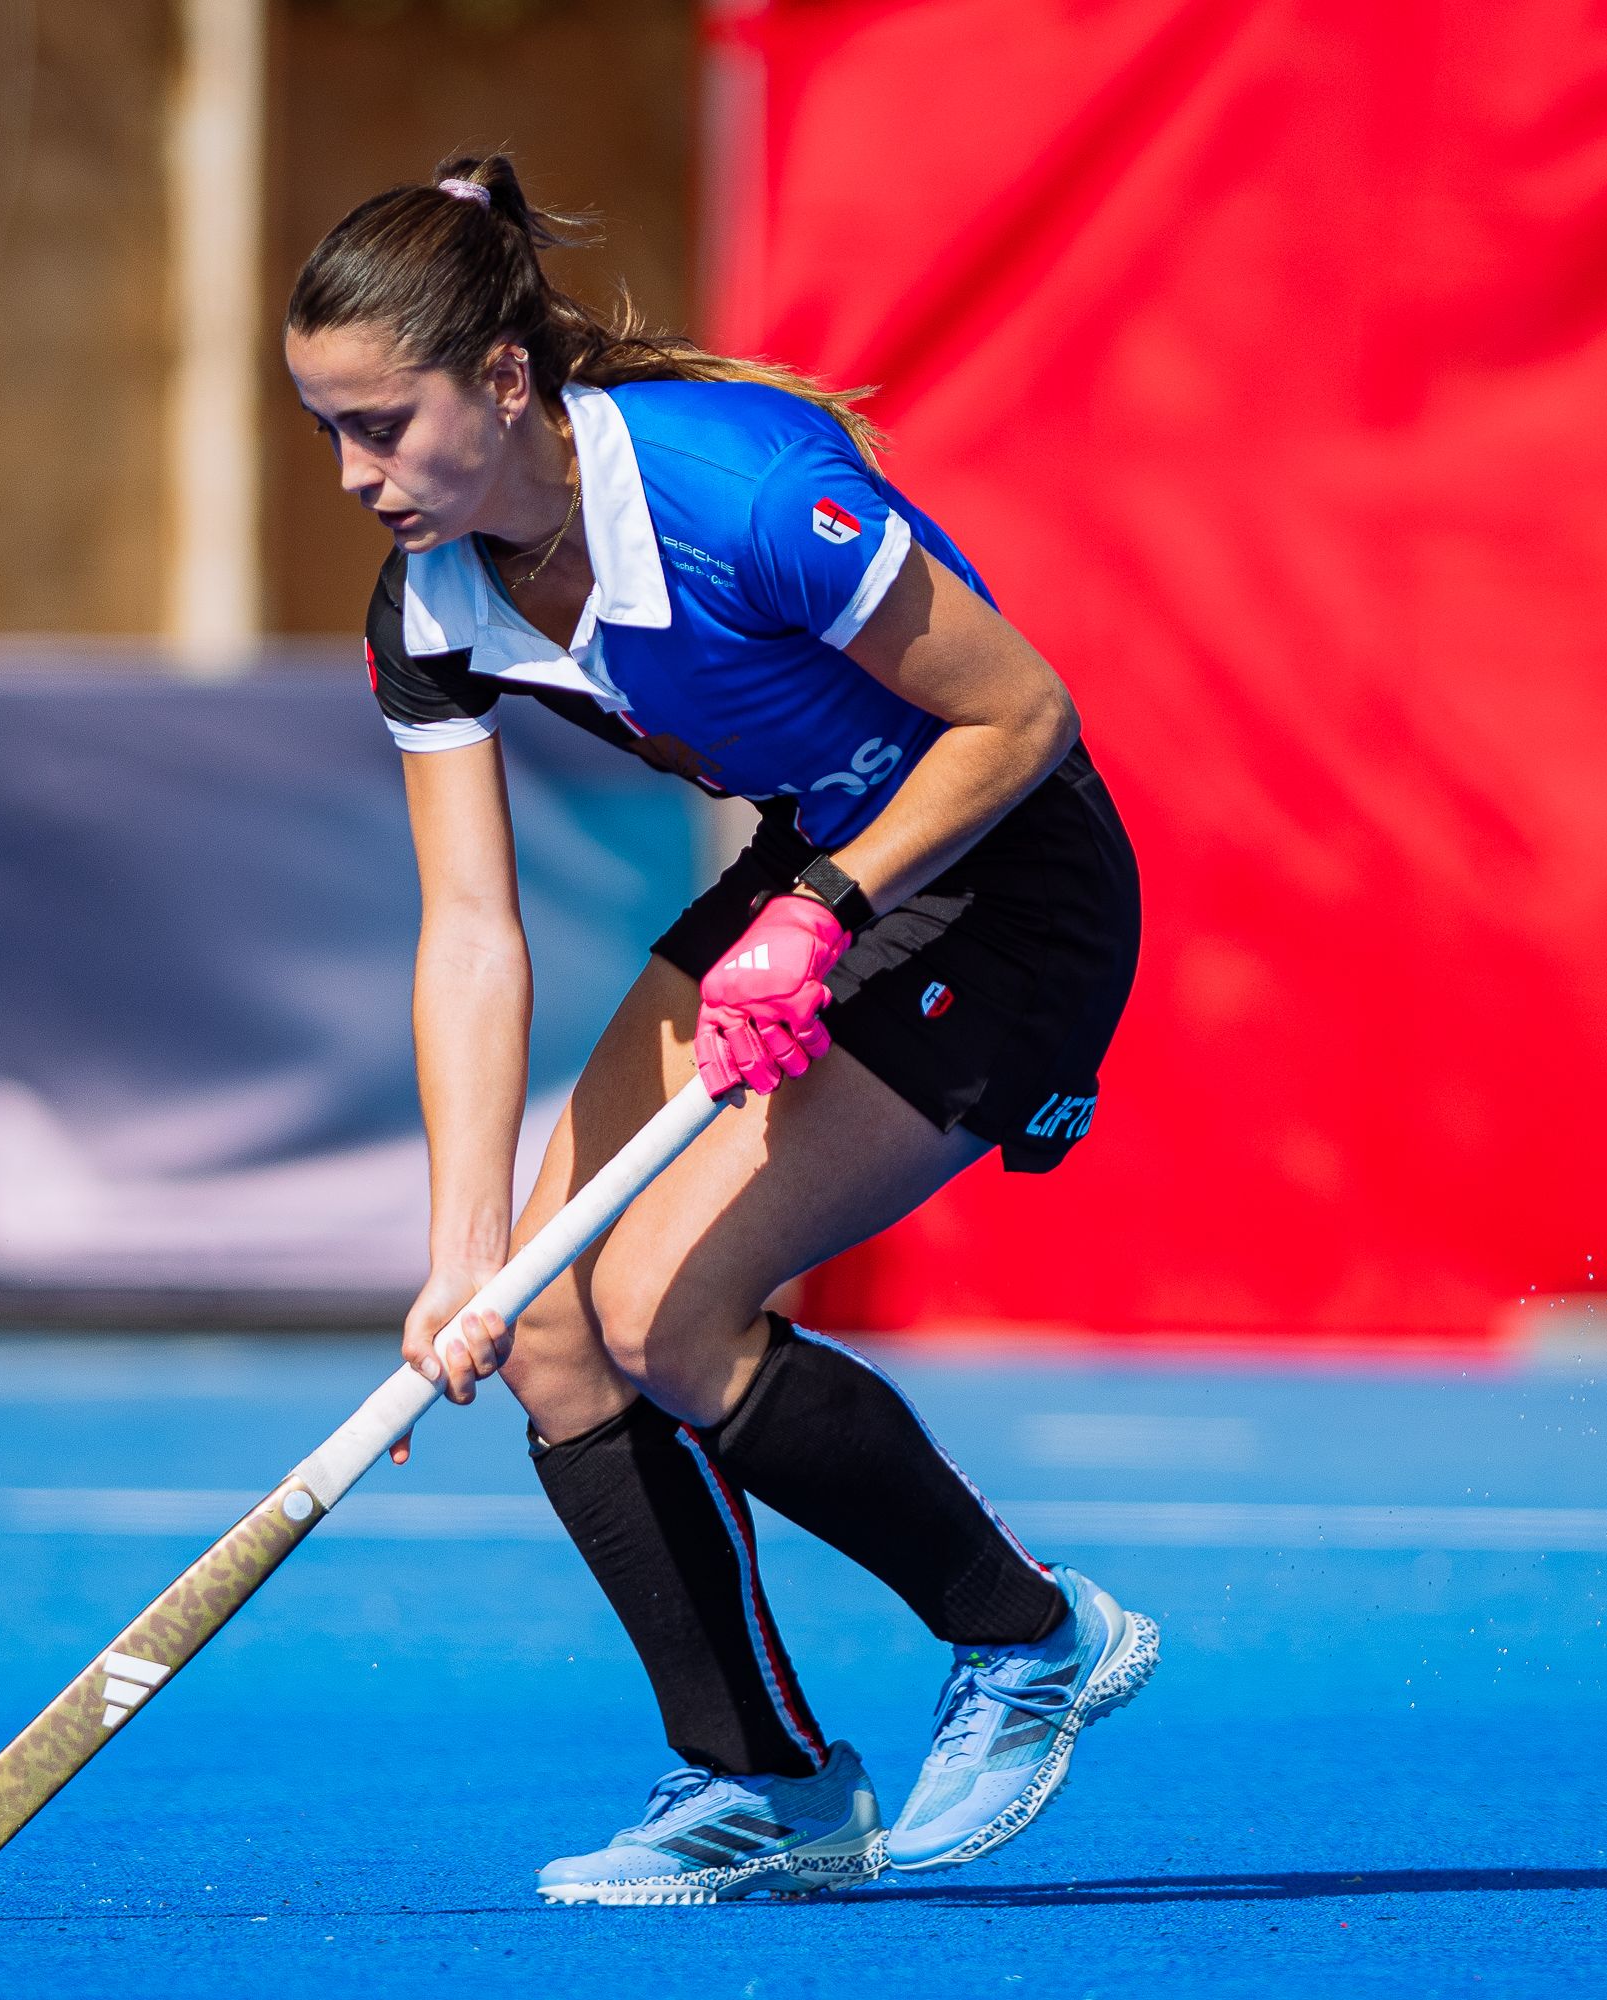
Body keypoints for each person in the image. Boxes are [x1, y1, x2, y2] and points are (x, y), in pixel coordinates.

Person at [283, 155, 1156, 1906]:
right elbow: (471, 933)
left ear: (505, 380)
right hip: (813, 864)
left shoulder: (737, 492)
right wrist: (460, 1255)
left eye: (383, 426)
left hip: (1001, 877)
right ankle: (768, 1788)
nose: (357, 476)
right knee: (549, 1331)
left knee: (667, 1313)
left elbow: (1021, 717)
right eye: (328, 434)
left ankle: (1032, 1640)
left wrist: (820, 914)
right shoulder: (431, 602)